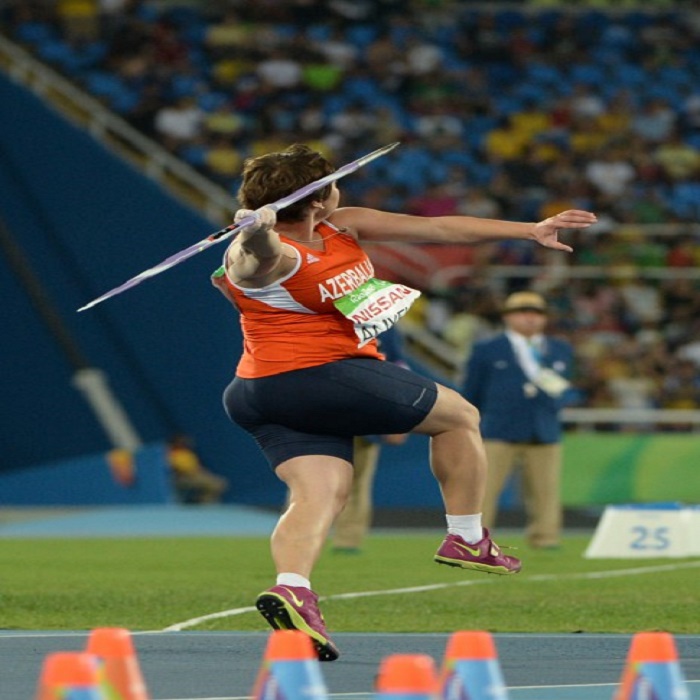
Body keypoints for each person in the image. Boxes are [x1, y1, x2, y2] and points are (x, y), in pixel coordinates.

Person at [210, 143, 597, 662]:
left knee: (321, 493)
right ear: (320, 196)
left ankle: (292, 589)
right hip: (315, 376)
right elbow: (252, 259)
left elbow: (437, 230)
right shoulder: (268, 254)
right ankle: (466, 537)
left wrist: (528, 230)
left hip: (263, 391)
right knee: (460, 416)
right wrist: (253, 231)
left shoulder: (341, 225)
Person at [461, 291, 575, 550]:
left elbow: (564, 386)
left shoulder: (560, 349)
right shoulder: (487, 350)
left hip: (543, 429)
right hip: (498, 431)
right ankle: (475, 539)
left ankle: (546, 538)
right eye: (523, 313)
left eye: (536, 313)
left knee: (546, 491)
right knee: (485, 491)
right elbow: (471, 393)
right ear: (508, 317)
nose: (530, 319)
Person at [332, 325, 409, 553]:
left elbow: (398, 368)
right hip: (323, 410)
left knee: (357, 482)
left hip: (366, 413)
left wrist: (398, 417)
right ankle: (301, 538)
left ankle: (348, 541)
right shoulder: (313, 313)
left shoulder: (383, 325)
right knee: (307, 480)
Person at [166, 434, 229, 504]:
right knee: (214, 484)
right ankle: (202, 504)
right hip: (182, 478)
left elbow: (197, 467)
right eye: (181, 442)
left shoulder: (187, 453)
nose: (185, 443)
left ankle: (204, 505)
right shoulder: (169, 454)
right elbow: (176, 469)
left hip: (195, 476)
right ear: (175, 443)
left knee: (220, 483)